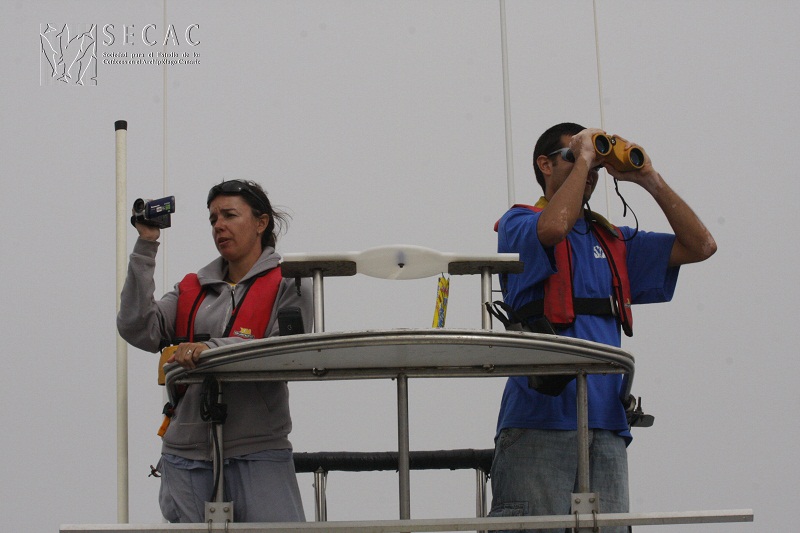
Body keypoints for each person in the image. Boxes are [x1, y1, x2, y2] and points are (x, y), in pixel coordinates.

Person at [488, 123, 716, 532]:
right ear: (544, 165)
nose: (589, 170)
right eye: (574, 158)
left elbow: (701, 246)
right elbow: (555, 228)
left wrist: (648, 178)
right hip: (539, 421)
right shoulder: (519, 223)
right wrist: (587, 156)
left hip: (607, 426)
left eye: (593, 164)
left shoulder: (613, 242)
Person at [117, 179, 312, 523]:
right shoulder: (191, 288)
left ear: (261, 222)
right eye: (213, 219)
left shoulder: (291, 283)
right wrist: (146, 244)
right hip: (186, 456)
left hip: (258, 451)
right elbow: (137, 327)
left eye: (229, 215)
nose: (219, 225)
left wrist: (207, 350)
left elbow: (283, 350)